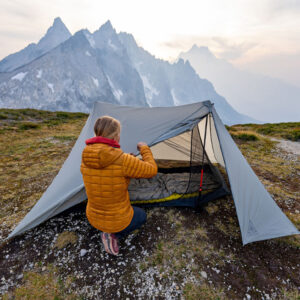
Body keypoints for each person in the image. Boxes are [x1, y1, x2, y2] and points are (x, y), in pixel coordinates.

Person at [80, 116, 157, 255]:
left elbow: (106, 169)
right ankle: (112, 235)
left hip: (93, 216)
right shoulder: (123, 160)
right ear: (116, 136)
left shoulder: (86, 156)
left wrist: (128, 159)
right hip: (117, 221)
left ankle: (106, 230)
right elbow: (151, 169)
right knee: (142, 216)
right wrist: (144, 148)